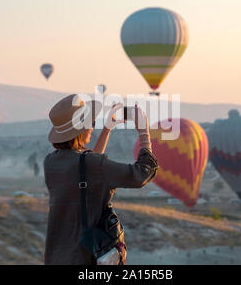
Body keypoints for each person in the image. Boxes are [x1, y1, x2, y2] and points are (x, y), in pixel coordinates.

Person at [43, 94, 158, 265]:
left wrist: (107, 129)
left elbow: (86, 169)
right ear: (80, 130)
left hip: (56, 258)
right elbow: (142, 173)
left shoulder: (51, 163)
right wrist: (144, 132)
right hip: (86, 259)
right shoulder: (93, 165)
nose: (93, 126)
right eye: (91, 123)